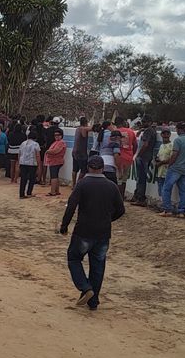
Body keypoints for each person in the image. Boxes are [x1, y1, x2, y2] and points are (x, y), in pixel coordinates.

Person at [59, 154, 126, 310]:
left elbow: (71, 206)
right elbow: (121, 210)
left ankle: (85, 288)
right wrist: (108, 220)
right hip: (103, 232)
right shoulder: (111, 186)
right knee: (98, 266)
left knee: (74, 259)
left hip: (84, 230)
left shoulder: (82, 184)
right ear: (102, 168)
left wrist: (64, 225)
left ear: (88, 167)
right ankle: (93, 301)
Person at [159, 122, 185, 217]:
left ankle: (167, 209)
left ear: (178, 129)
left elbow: (174, 155)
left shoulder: (178, 140)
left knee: (166, 188)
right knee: (183, 190)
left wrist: (170, 164)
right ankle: (181, 211)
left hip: (176, 168)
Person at [131, 117, 159, 206]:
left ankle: (140, 198)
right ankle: (138, 196)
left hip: (143, 156)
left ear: (150, 122)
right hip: (147, 156)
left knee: (141, 178)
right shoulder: (152, 130)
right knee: (141, 177)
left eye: (145, 122)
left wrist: (138, 154)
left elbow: (145, 144)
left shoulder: (148, 132)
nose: (143, 123)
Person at [115, 117, 137, 198]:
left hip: (117, 157)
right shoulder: (131, 131)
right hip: (128, 157)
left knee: (117, 179)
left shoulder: (114, 132)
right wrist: (132, 154)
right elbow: (135, 145)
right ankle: (121, 197)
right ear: (123, 122)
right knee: (124, 180)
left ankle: (116, 198)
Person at [17, 130, 42, 199]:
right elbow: (37, 155)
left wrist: (19, 162)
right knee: (32, 179)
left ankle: (21, 194)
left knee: (23, 179)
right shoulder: (36, 144)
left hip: (23, 163)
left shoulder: (23, 143)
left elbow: (19, 154)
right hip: (32, 163)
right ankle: (29, 193)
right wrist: (39, 165)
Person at [153, 127, 173, 209]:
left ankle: (166, 207)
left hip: (167, 171)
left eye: (167, 133)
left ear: (169, 135)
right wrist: (157, 160)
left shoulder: (171, 145)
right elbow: (158, 156)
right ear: (161, 135)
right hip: (160, 171)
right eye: (164, 133)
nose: (165, 135)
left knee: (165, 190)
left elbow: (171, 158)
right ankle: (162, 205)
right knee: (160, 190)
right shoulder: (161, 146)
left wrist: (161, 162)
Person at [44, 127, 67, 196]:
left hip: (56, 161)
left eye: (58, 135)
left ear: (61, 135)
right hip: (54, 161)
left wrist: (48, 151)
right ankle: (56, 191)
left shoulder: (61, 143)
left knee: (53, 177)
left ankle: (53, 191)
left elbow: (56, 151)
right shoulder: (57, 142)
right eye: (55, 135)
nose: (56, 136)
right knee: (55, 176)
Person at [71, 116, 91, 184]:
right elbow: (91, 128)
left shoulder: (77, 129)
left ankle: (73, 184)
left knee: (75, 169)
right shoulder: (84, 128)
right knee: (84, 170)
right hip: (81, 152)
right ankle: (78, 183)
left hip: (74, 151)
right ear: (86, 123)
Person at [7, 118, 26, 184]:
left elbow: (8, 141)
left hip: (11, 150)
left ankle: (11, 179)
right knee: (17, 165)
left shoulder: (11, 134)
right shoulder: (23, 135)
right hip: (19, 151)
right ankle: (15, 179)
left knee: (12, 166)